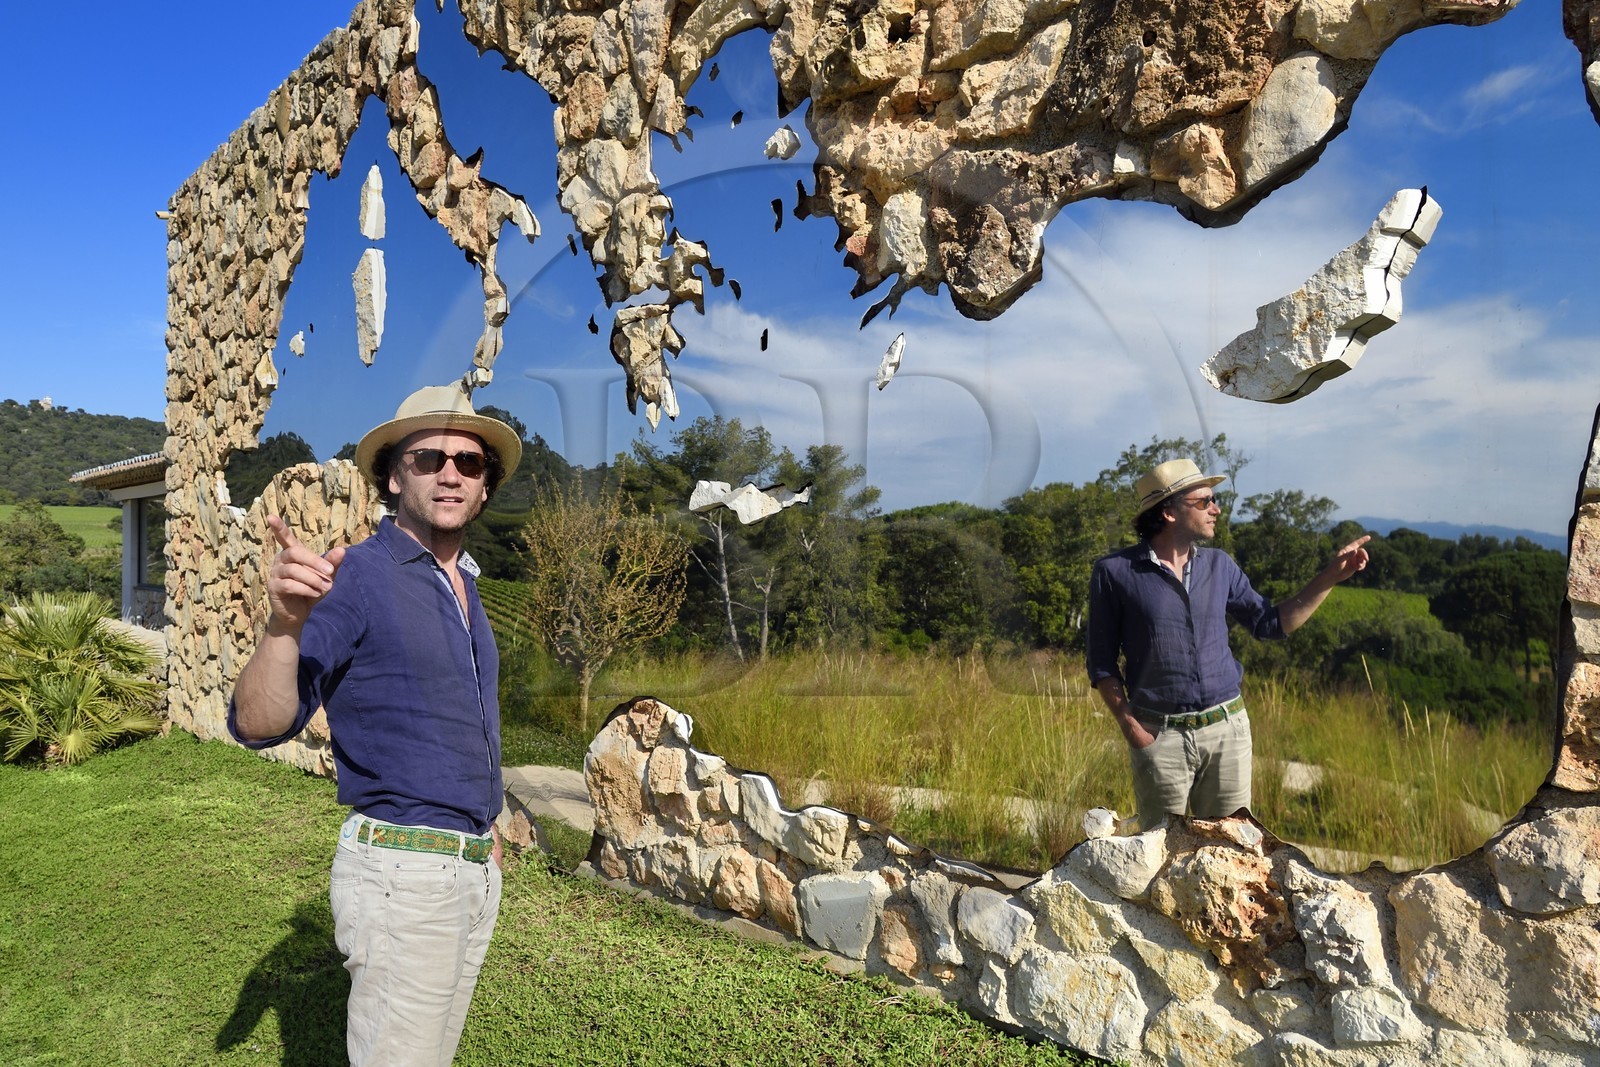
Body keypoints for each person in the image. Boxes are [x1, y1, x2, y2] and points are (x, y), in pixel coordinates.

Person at [229, 382, 523, 1067]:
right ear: (393, 475)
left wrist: (490, 823)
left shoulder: (465, 582)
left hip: (472, 874)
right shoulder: (359, 575)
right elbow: (258, 720)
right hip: (405, 877)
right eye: (429, 458)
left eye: (469, 462)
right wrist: (284, 623)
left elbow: (467, 715)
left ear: (483, 488)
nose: (450, 471)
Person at [1086, 458, 1369, 830]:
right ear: (1169, 512)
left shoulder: (1221, 566)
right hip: (1159, 737)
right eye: (1204, 501)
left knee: (1230, 848)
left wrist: (1332, 576)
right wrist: (1131, 728)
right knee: (1159, 853)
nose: (1216, 509)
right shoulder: (1115, 573)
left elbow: (1271, 623)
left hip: (1227, 732)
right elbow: (1101, 662)